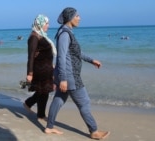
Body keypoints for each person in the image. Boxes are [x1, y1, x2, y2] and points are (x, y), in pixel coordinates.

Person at [44, 7, 110, 140]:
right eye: (77, 16)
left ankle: (49, 127)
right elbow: (61, 57)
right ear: (70, 18)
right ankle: (94, 131)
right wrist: (63, 79)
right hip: (69, 76)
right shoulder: (64, 34)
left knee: (59, 100)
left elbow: (76, 53)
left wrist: (91, 60)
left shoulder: (67, 32)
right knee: (84, 102)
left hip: (67, 75)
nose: (79, 18)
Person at [23, 14, 57, 121]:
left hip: (46, 68)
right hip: (40, 69)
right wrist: (29, 73)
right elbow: (31, 56)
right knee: (43, 91)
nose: (48, 25)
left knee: (42, 91)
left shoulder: (41, 35)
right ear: (40, 24)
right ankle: (41, 114)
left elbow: (43, 53)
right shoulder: (34, 37)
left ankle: (29, 104)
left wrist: (51, 64)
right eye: (46, 23)